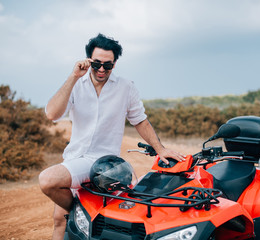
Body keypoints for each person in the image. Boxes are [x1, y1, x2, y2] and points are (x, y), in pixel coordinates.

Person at [38, 33, 185, 240]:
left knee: (48, 180)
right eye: (96, 64)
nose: (101, 69)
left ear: (114, 65)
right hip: (74, 158)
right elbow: (52, 114)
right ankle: (81, 211)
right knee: (60, 220)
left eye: (107, 65)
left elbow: (140, 120)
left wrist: (160, 150)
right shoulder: (76, 84)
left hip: (103, 163)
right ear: (88, 60)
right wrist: (73, 77)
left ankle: (82, 210)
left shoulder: (126, 87)